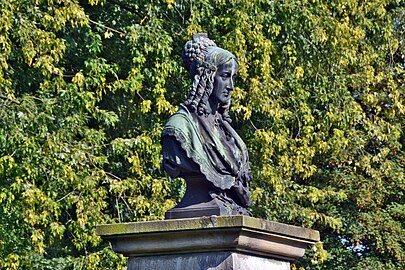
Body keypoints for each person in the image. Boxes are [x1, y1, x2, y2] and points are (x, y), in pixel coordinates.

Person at [161, 33, 252, 219]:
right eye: (225, 76)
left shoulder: (226, 129)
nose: (231, 86)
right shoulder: (178, 129)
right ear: (207, 77)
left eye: (233, 77)